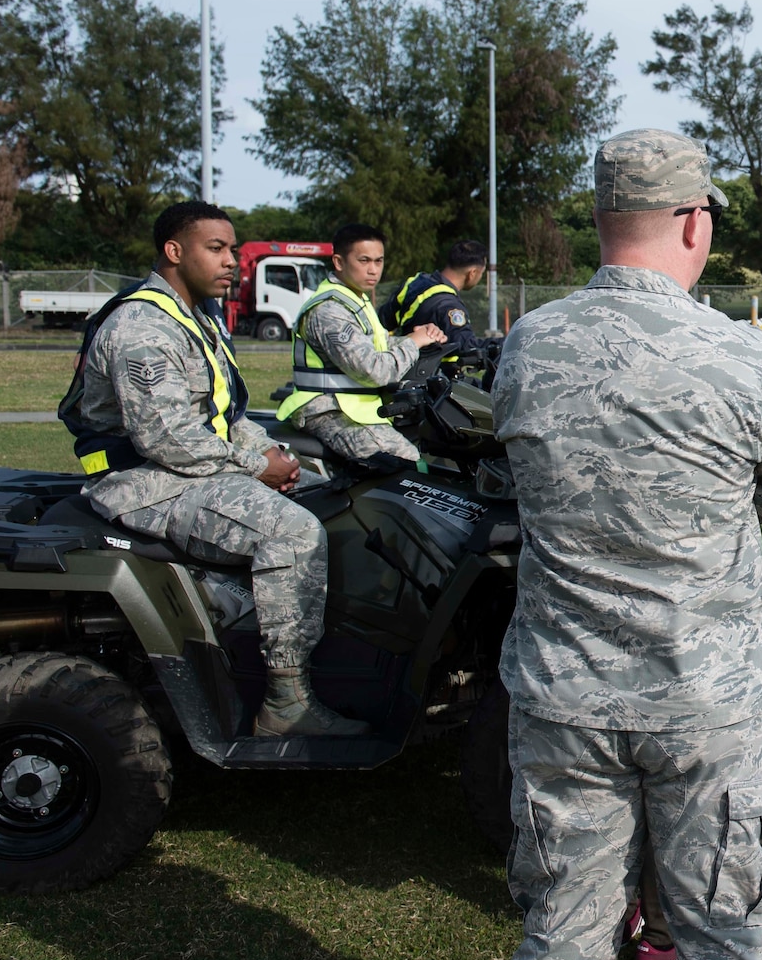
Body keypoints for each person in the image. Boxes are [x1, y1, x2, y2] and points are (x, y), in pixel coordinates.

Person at [491, 128, 762, 960]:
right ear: (694, 221)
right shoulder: (746, 360)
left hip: (565, 692)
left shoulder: (528, 344)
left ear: (599, 220)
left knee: (565, 920)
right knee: (722, 930)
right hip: (709, 701)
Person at [62, 200, 361, 738]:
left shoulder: (194, 316)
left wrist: (278, 458)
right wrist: (255, 465)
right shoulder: (141, 327)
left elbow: (223, 415)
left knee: (339, 496)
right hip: (146, 484)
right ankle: (286, 703)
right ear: (174, 252)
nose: (232, 263)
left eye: (232, 250)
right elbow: (167, 437)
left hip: (190, 470)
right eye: (216, 249)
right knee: (292, 534)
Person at [274, 223, 445, 464]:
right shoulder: (329, 310)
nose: (373, 270)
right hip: (327, 410)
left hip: (355, 409)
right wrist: (413, 343)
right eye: (364, 261)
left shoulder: (355, 299)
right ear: (339, 262)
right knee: (407, 462)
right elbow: (375, 371)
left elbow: (377, 343)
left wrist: (414, 338)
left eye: (378, 261)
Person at [388, 238, 489, 361]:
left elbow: (384, 321)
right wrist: (505, 342)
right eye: (481, 273)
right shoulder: (449, 305)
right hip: (433, 376)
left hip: (399, 364)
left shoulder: (414, 283)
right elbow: (466, 346)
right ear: (472, 273)